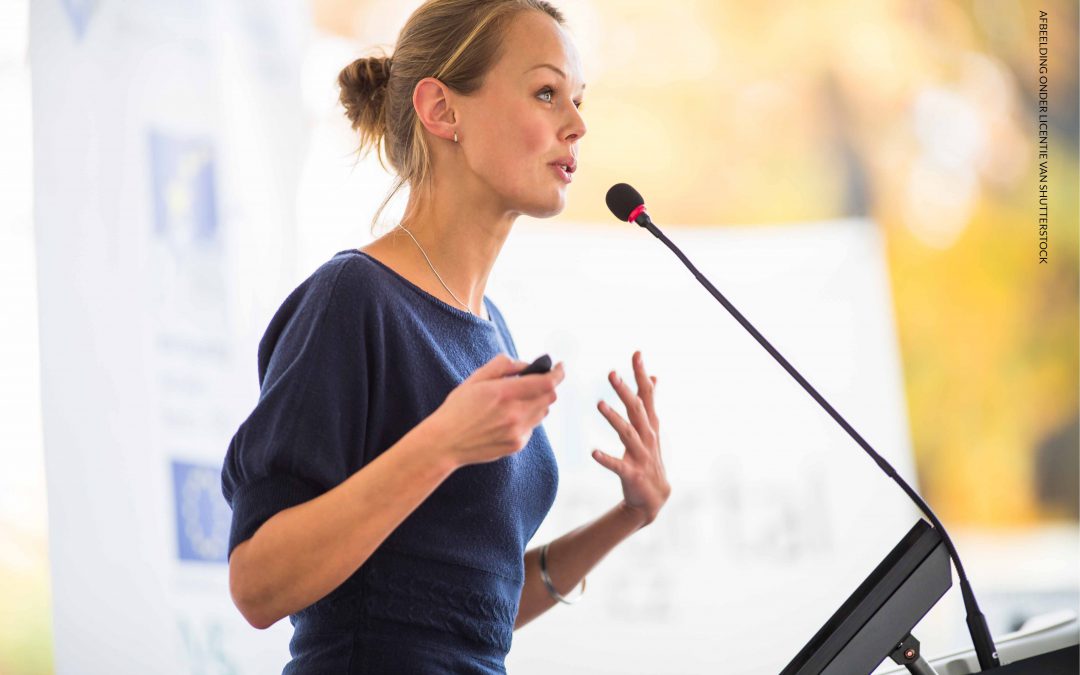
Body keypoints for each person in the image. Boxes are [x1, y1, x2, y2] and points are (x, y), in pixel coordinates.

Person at [220, 1, 671, 672]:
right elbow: (257, 585)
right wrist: (443, 443)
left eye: (576, 101)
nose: (577, 126)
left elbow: (463, 611)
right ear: (441, 110)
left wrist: (628, 516)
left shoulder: (492, 331)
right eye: (547, 93)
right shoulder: (354, 299)